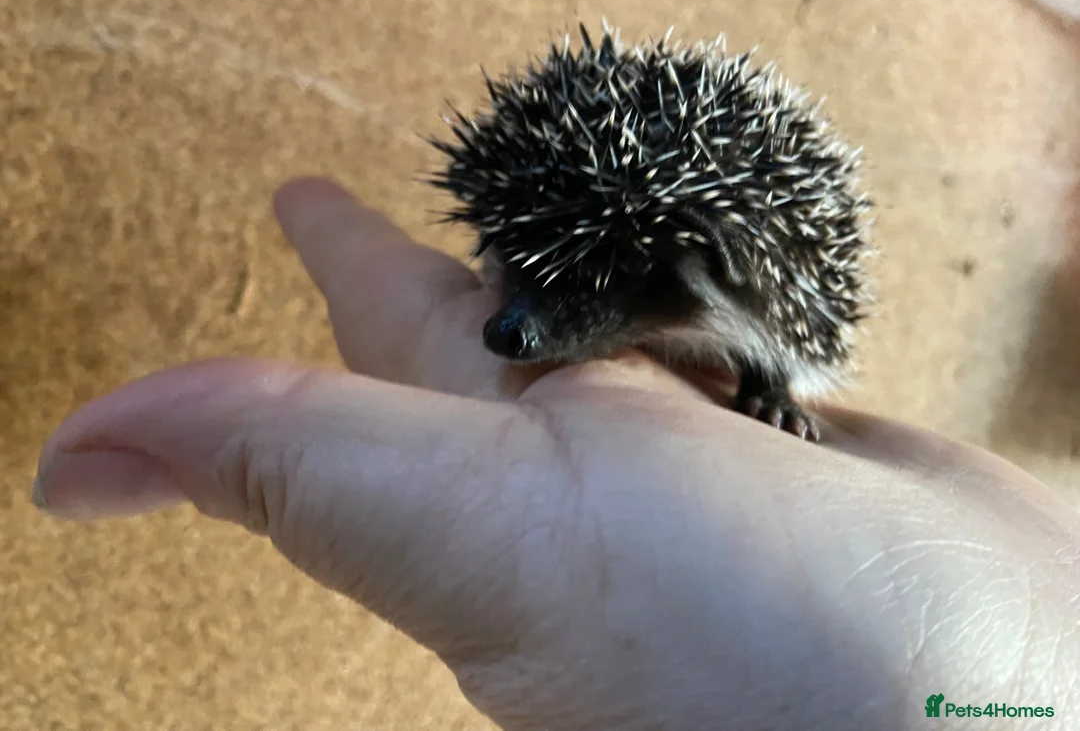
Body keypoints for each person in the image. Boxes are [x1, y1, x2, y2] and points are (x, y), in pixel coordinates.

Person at [31, 177, 1080, 729]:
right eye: (522, 285)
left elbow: (786, 357)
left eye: (577, 301)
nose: (513, 329)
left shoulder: (746, 308)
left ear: (702, 289)